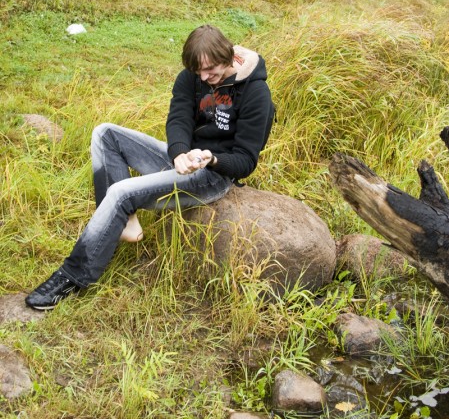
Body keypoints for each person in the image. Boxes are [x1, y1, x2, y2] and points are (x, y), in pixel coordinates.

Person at [25, 25, 274, 311]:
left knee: (120, 192)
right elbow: (178, 119)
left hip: (214, 175)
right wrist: (179, 152)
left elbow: (246, 160)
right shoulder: (191, 77)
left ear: (228, 56)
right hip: (184, 162)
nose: (204, 78)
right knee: (105, 134)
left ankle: (72, 276)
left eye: (210, 70)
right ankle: (123, 222)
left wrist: (212, 159)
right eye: (198, 72)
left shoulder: (256, 92)